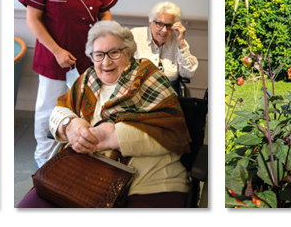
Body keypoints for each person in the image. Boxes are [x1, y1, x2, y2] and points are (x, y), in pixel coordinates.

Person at [17, 21, 190, 208]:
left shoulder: (148, 76)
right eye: (99, 55)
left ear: (128, 53)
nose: (106, 62)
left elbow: (172, 133)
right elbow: (59, 110)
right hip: (85, 174)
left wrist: (114, 137)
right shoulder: (88, 79)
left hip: (148, 180)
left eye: (114, 53)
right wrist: (70, 125)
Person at [21, 0, 118, 168]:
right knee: (49, 109)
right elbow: (32, 19)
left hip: (88, 59)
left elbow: (104, 11)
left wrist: (103, 37)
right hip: (54, 58)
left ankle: (76, 150)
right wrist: (57, 51)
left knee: (84, 108)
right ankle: (43, 154)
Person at [132, 1, 198, 86]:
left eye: (169, 25)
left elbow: (190, 73)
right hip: (139, 89)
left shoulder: (178, 41)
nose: (164, 30)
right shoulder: (135, 36)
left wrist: (181, 43)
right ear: (150, 23)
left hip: (169, 92)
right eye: (159, 24)